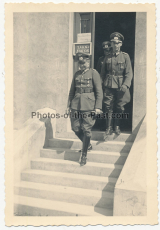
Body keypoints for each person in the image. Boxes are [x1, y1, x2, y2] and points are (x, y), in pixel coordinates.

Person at [67, 52, 103, 166]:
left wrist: (97, 107)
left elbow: (99, 92)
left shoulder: (94, 73)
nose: (82, 65)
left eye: (84, 62)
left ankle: (84, 154)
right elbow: (72, 91)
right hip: (76, 105)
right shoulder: (76, 74)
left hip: (89, 105)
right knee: (75, 127)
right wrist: (68, 105)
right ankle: (87, 144)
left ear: (88, 62)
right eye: (80, 63)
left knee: (86, 129)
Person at [101, 32, 133, 139]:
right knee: (108, 106)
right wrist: (102, 85)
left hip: (121, 85)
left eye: (118, 43)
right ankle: (108, 128)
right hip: (109, 85)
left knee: (120, 107)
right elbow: (102, 73)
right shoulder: (107, 57)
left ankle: (117, 126)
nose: (116, 45)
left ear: (121, 44)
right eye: (113, 43)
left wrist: (126, 85)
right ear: (111, 44)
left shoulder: (125, 57)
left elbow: (129, 73)